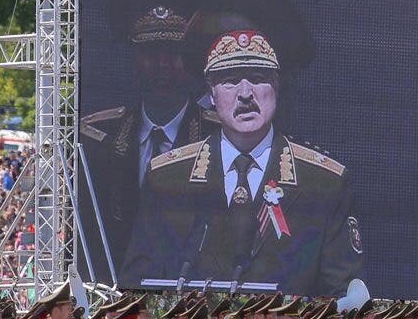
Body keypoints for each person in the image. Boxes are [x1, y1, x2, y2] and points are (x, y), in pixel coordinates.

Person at [124, 21, 364, 296]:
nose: (246, 94)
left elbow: (345, 297)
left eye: (258, 78)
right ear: (211, 92)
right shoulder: (167, 178)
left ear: (276, 85)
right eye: (230, 81)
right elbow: (138, 287)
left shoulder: (324, 184)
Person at [80, 5, 220, 275]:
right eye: (151, 53)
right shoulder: (98, 136)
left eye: (174, 53)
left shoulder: (219, 136)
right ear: (134, 59)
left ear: (192, 61)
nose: (163, 65)